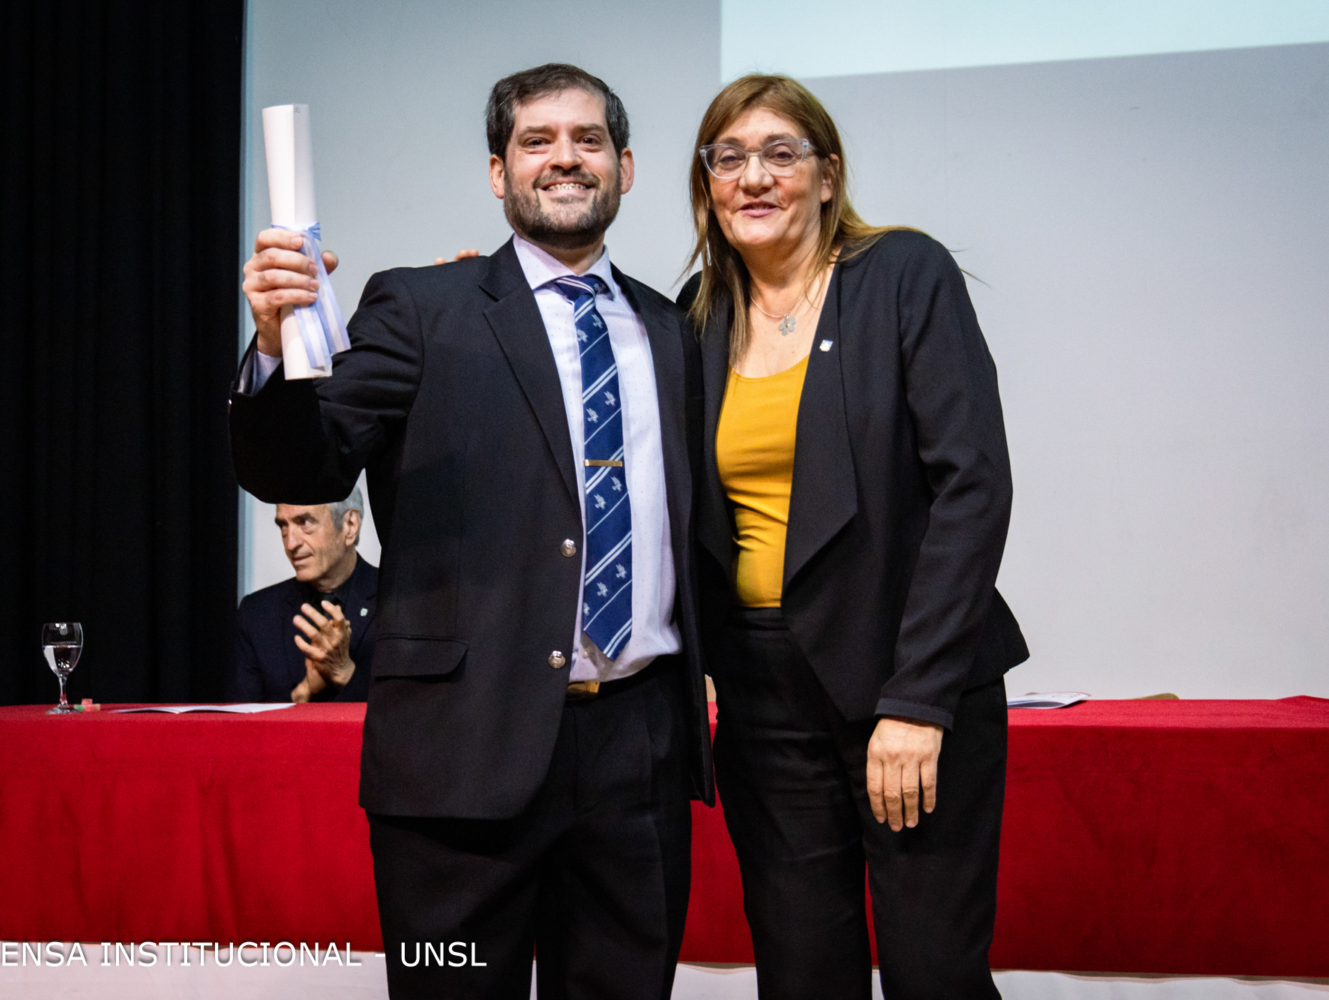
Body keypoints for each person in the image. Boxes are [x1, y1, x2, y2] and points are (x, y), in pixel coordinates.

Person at [230, 63, 712, 1000]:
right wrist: (275, 343)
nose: (565, 158)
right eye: (537, 141)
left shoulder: (672, 330)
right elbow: (304, 467)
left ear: (625, 168)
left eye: (588, 140)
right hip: (459, 760)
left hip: (638, 757)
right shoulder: (422, 308)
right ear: (499, 173)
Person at [678, 75, 1030, 999]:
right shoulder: (697, 316)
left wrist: (917, 701)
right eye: (728, 157)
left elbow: (972, 489)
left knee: (933, 976)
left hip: (905, 677)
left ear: (828, 176)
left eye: (780, 153)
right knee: (802, 977)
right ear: (707, 183)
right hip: (762, 698)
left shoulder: (902, 274)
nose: (754, 176)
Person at [230, 487, 377, 703]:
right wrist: (304, 691)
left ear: (350, 526)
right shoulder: (257, 614)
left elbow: (411, 712)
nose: (291, 544)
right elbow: (241, 721)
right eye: (283, 526)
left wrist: (345, 673)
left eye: (304, 523)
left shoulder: (398, 603)